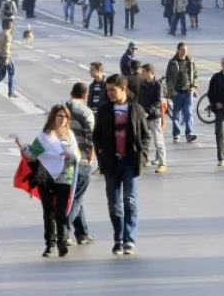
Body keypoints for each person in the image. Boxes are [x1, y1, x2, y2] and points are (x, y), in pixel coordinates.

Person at [93, 74, 149, 256]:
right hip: (111, 163)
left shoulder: (136, 109)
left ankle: (129, 240)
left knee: (129, 201)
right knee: (114, 204)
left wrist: (142, 158)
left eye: (112, 90)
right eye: (107, 90)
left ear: (123, 89)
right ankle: (118, 238)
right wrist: (101, 156)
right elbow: (97, 136)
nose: (109, 93)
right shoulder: (103, 110)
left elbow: (145, 135)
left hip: (130, 163)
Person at [17, 104, 79, 257]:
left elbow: (76, 156)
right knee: (48, 211)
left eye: (65, 116)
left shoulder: (70, 135)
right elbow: (33, 155)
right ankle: (49, 244)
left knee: (61, 211)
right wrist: (23, 147)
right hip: (45, 176)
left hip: (64, 176)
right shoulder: (44, 136)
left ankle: (62, 243)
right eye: (60, 115)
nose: (63, 119)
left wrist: (69, 155)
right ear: (53, 117)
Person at [65, 82, 96, 246]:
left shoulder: (61, 110)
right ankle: (63, 231)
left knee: (75, 196)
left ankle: (82, 233)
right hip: (80, 159)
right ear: (85, 96)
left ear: (71, 93)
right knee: (76, 197)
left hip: (63, 160)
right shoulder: (86, 112)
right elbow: (91, 139)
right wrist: (90, 160)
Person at [166, 42, 198, 143]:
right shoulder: (172, 62)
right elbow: (168, 78)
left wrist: (194, 87)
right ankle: (176, 134)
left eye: (186, 50)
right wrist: (172, 91)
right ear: (178, 50)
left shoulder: (190, 61)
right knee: (176, 115)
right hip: (177, 93)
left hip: (188, 92)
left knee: (188, 113)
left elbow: (195, 75)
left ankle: (189, 134)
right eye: (182, 49)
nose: (184, 52)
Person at [139, 63, 168, 173]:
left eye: (144, 72)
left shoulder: (158, 85)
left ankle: (163, 163)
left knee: (158, 141)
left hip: (154, 117)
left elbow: (158, 101)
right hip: (143, 117)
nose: (142, 74)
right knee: (141, 140)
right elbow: (139, 100)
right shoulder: (142, 85)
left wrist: (148, 111)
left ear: (150, 72)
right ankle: (141, 161)